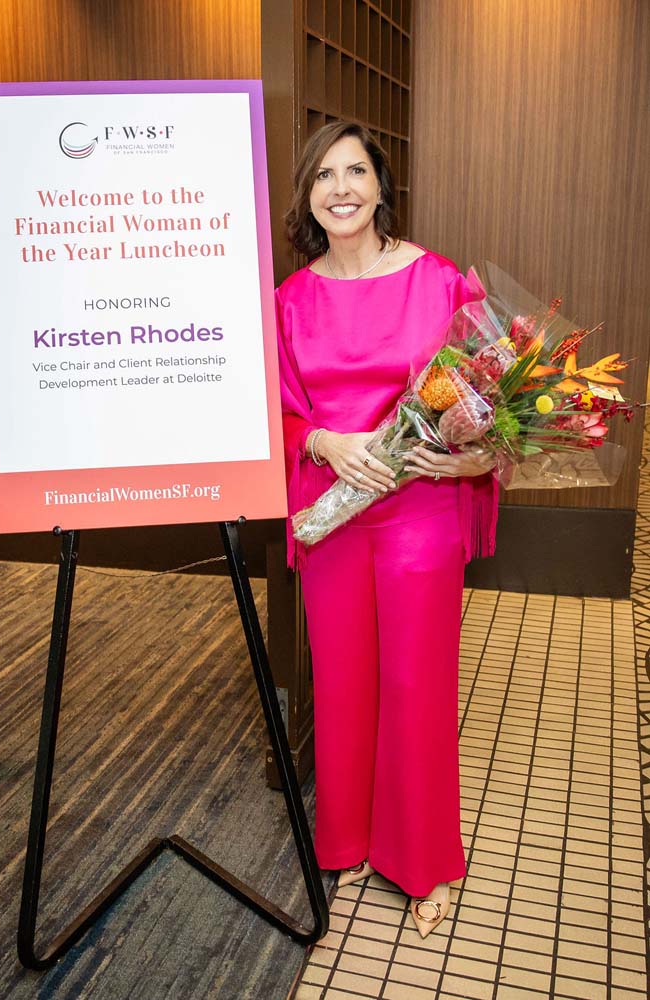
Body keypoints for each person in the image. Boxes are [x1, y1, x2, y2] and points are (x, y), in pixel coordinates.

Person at [274, 121, 498, 937]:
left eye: (355, 171)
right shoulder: (289, 302)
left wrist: (471, 461)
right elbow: (277, 411)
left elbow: (490, 401)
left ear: (380, 184)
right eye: (324, 176)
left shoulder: (439, 281)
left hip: (418, 510)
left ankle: (425, 859)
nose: (340, 189)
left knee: (416, 681)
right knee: (341, 678)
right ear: (308, 196)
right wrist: (323, 439)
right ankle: (353, 838)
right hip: (334, 510)